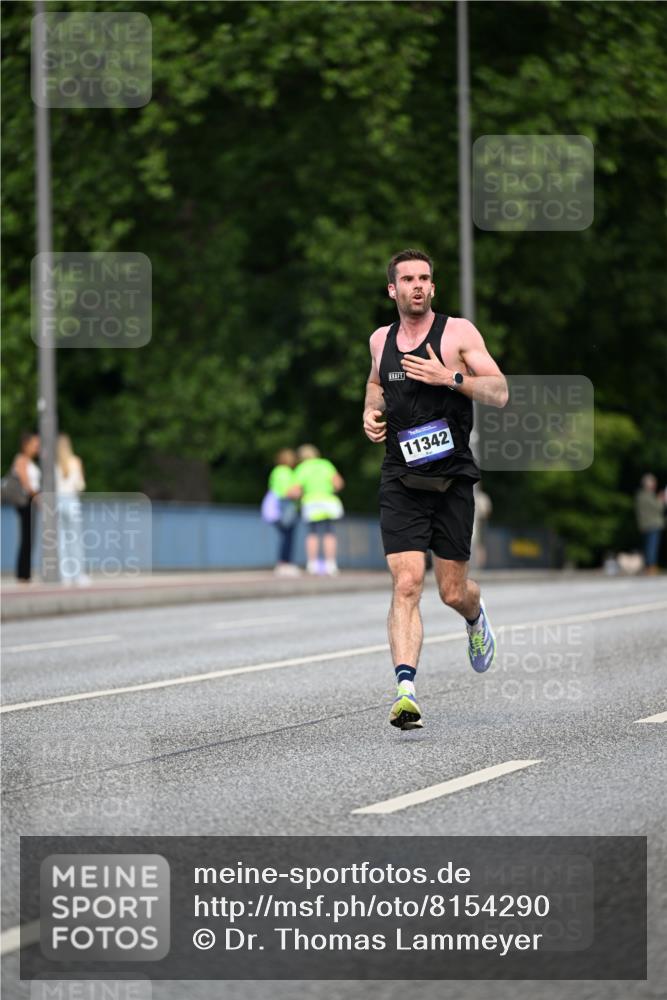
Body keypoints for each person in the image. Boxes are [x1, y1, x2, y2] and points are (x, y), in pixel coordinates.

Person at [362, 248, 508, 730]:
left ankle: (474, 614)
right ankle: (405, 690)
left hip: (452, 479)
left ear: (433, 287)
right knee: (406, 582)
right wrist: (370, 412)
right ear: (393, 289)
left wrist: (451, 378)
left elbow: (500, 392)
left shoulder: (459, 333)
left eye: (425, 278)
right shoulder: (380, 340)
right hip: (400, 477)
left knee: (450, 591)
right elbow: (375, 384)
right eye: (408, 279)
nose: (418, 286)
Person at [293, 444, 345, 575]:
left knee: (312, 533)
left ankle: (312, 564)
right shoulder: (325, 464)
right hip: (328, 500)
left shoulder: (302, 468)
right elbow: (338, 483)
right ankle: (331, 565)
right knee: (329, 532)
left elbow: (296, 490)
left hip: (311, 502)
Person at [56, 433, 90, 586]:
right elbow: (80, 486)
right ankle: (79, 575)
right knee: (75, 540)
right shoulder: (76, 461)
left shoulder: (54, 464)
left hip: (57, 503)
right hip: (72, 502)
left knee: (62, 541)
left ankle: (66, 576)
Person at [11, 431, 40, 582]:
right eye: (35, 444)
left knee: (30, 538)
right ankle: (23, 574)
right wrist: (37, 497)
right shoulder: (21, 460)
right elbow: (25, 482)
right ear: (26, 445)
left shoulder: (31, 462)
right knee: (26, 537)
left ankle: (25, 573)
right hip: (25, 502)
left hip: (30, 501)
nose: (37, 447)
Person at [267, 448, 300, 577]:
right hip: (285, 506)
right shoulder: (283, 472)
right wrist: (300, 492)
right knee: (287, 535)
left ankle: (284, 562)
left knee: (286, 535)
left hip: (282, 505)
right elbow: (287, 492)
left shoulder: (278, 471)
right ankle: (284, 563)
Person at [634, 473, 665, 574]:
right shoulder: (648, 496)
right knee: (652, 547)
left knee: (648, 546)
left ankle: (648, 567)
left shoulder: (640, 495)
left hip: (644, 524)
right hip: (653, 524)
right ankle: (651, 567)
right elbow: (658, 508)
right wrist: (661, 499)